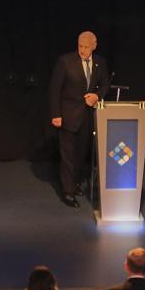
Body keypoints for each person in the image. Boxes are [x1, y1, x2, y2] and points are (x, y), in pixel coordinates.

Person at [49, 31, 110, 207]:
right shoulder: (65, 62)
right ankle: (68, 192)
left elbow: (105, 84)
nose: (82, 50)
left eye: (86, 47)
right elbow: (55, 90)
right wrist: (56, 115)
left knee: (80, 153)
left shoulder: (100, 62)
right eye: (80, 46)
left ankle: (74, 183)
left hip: (88, 117)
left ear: (94, 46)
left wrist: (97, 96)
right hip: (68, 115)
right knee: (68, 155)